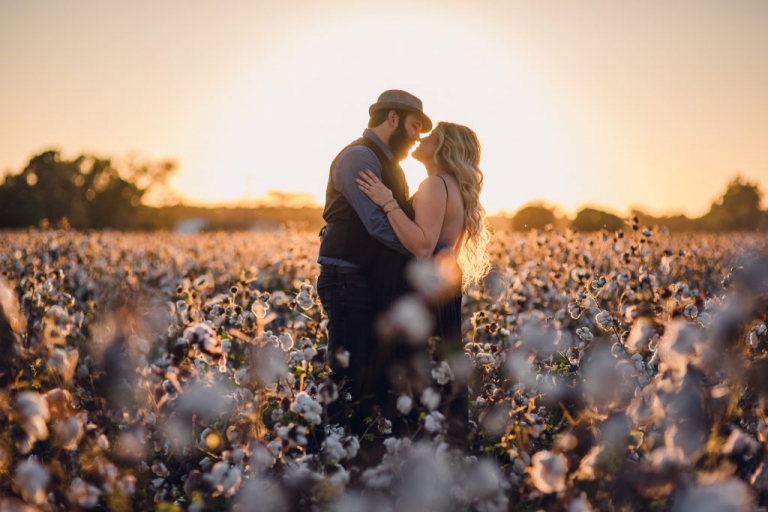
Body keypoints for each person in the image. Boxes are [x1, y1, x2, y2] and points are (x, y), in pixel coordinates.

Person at [355, 121, 491, 447]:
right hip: (444, 288)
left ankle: (408, 447)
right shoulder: (454, 187)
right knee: (439, 369)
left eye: (430, 136)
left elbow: (422, 246)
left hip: (426, 289)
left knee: (413, 372)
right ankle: (446, 446)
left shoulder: (434, 185)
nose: (420, 138)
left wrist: (387, 201)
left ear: (443, 147)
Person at [316, 90, 432, 436]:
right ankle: (327, 450)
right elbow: (377, 223)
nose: (416, 137)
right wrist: (421, 249)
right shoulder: (359, 158)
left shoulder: (390, 166)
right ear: (392, 118)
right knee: (348, 370)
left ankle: (357, 445)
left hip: (363, 277)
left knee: (368, 372)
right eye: (414, 126)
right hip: (345, 275)